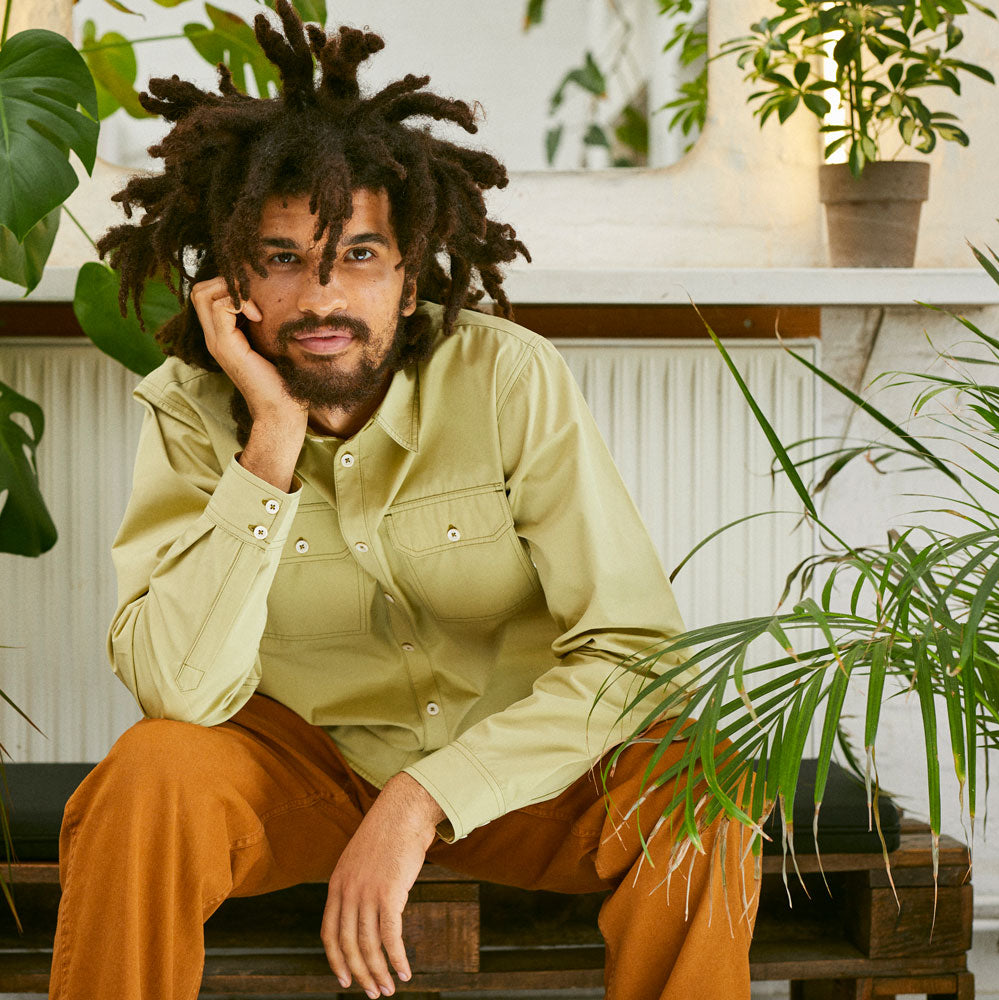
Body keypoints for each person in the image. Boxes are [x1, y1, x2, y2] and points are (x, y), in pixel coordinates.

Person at [50, 4, 762, 998]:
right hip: (298, 769)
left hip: (517, 776)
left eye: (359, 256)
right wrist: (269, 443)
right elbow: (180, 693)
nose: (322, 298)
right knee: (145, 777)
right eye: (284, 258)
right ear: (232, 279)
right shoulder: (190, 409)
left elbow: (632, 652)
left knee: (700, 780)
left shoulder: (507, 378)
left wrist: (426, 798)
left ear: (408, 270)